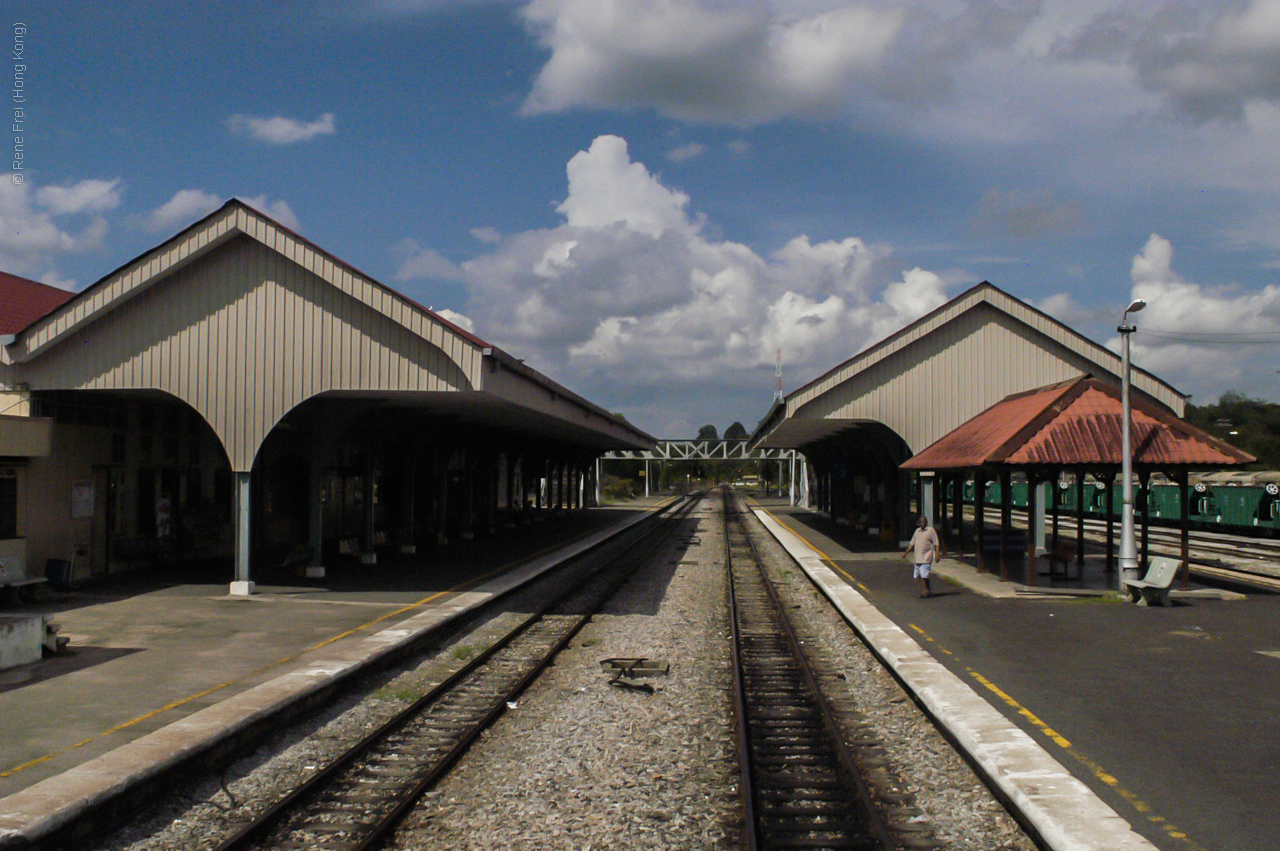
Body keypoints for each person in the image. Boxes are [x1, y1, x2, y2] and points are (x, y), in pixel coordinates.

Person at [903, 515, 939, 598]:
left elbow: (936, 543)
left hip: (926, 557)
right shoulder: (917, 531)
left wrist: (937, 554)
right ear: (919, 523)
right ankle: (928, 590)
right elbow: (912, 544)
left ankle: (924, 591)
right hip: (918, 558)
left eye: (925, 521)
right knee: (920, 575)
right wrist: (906, 553)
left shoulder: (931, 531)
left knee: (924, 575)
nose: (924, 523)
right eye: (922, 521)